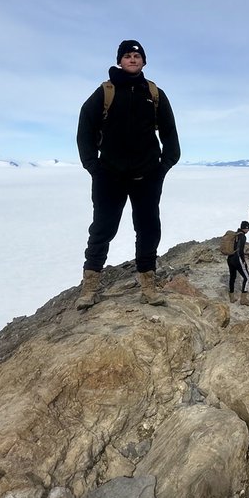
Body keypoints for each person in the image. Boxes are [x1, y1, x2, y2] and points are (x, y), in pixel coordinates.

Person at [76, 40, 180, 308]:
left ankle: (148, 285)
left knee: (148, 229)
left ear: (143, 61)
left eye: (137, 56)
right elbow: (85, 126)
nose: (132, 59)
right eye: (127, 56)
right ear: (119, 61)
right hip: (109, 174)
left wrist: (164, 165)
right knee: (102, 228)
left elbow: (169, 131)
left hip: (147, 175)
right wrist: (93, 165)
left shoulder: (154, 93)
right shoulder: (105, 92)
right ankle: (90, 287)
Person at [226, 221, 249, 305]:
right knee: (247, 278)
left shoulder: (235, 235)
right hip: (237, 259)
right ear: (246, 228)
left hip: (230, 258)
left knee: (232, 277)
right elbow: (240, 251)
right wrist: (244, 262)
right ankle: (243, 299)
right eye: (248, 228)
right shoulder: (242, 237)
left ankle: (232, 297)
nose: (248, 230)